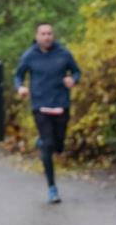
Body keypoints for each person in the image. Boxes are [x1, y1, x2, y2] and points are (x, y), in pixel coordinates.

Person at [14, 23, 82, 204]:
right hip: (40, 106)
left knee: (58, 146)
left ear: (53, 35)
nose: (47, 37)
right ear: (37, 36)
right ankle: (52, 188)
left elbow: (77, 72)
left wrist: (73, 80)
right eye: (43, 34)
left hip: (61, 105)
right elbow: (18, 75)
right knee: (48, 144)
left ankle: (45, 142)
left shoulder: (63, 53)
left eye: (49, 33)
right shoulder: (30, 55)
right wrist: (20, 87)